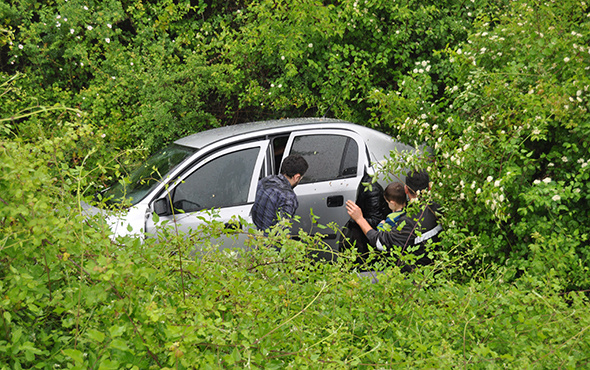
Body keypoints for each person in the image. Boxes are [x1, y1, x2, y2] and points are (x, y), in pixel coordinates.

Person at [345, 169, 441, 271]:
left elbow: (380, 243)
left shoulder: (407, 222)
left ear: (406, 189)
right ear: (429, 188)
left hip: (414, 275)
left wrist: (359, 219)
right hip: (434, 267)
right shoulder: (437, 209)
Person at [251, 154, 309, 233]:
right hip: (271, 242)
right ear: (297, 177)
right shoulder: (288, 197)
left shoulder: (265, 180)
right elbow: (282, 231)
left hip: (257, 237)